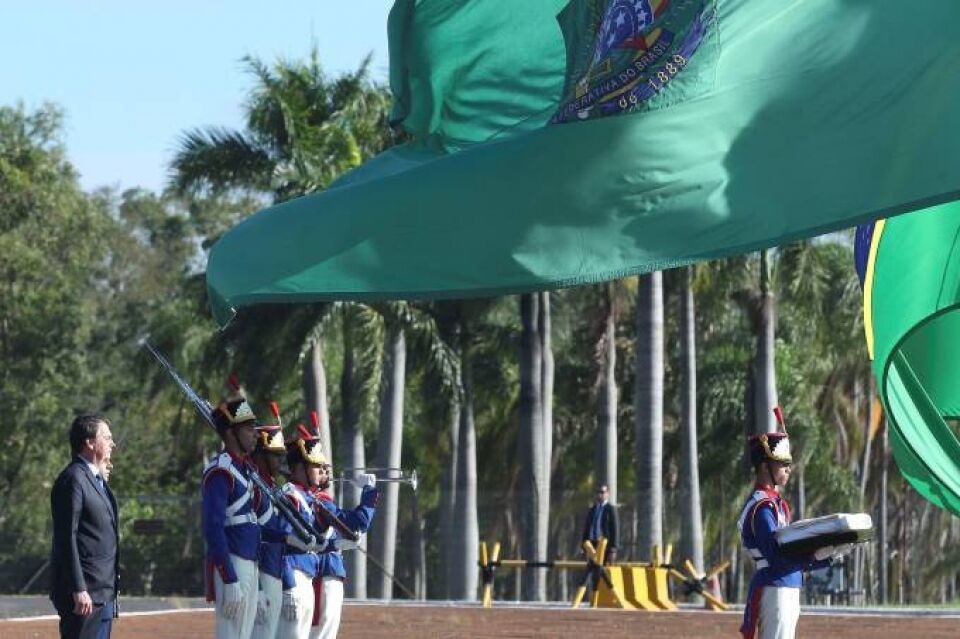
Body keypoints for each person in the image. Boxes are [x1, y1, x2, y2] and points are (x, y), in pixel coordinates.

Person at [737, 418, 851, 639]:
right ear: (764, 467)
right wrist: (815, 556)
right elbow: (778, 559)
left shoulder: (776, 505)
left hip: (787, 587)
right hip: (774, 587)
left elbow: (790, 557)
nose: (788, 469)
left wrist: (828, 556)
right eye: (782, 464)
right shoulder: (762, 508)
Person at [49, 415, 119, 639]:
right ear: (89, 443)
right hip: (85, 595)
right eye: (107, 438)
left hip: (102, 592)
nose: (112, 443)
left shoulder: (95, 479)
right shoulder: (73, 480)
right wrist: (79, 588)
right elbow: (66, 537)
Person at [202, 394, 261, 639]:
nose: (255, 434)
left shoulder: (244, 469)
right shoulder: (221, 471)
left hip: (249, 562)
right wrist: (229, 577)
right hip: (233, 563)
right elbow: (213, 527)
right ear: (230, 434)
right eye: (248, 429)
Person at [311, 460, 378, 639]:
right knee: (322, 634)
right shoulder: (318, 499)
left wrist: (339, 542)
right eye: (321, 468)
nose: (326, 472)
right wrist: (369, 491)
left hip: (326, 570)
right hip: (323, 572)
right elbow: (359, 522)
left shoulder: (316, 498)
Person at [277, 426, 328, 639]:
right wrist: (288, 584)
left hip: (307, 577)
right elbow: (280, 543)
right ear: (299, 468)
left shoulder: (306, 497)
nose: (321, 470)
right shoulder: (289, 496)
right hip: (294, 579)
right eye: (315, 465)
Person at [250, 404, 288, 639]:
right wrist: (258, 589)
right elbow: (253, 537)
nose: (280, 461)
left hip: (275, 572)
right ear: (262, 455)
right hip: (260, 576)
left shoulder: (271, 487)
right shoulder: (254, 486)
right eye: (276, 455)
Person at [581, 484, 619, 564]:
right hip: (592, 544)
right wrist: (583, 546)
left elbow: (615, 530)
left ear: (607, 494)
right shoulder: (593, 509)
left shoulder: (610, 509)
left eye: (602, 492)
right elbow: (587, 527)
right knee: (591, 568)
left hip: (604, 545)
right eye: (598, 492)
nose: (600, 495)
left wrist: (613, 549)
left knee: (602, 569)